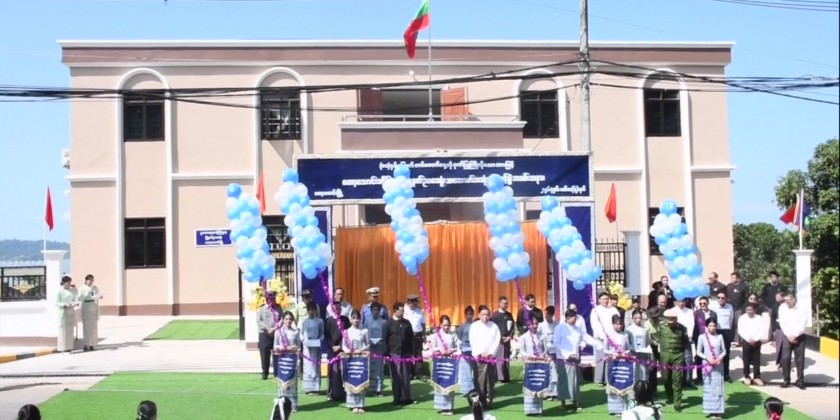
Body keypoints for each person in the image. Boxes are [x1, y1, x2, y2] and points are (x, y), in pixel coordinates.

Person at [554, 309, 601, 412]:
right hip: (563, 359)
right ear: (567, 318)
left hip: (575, 358)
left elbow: (587, 338)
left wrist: (599, 344)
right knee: (563, 381)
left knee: (575, 381)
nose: (575, 320)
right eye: (574, 318)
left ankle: (576, 402)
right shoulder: (559, 328)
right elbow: (556, 343)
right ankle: (563, 402)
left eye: (576, 318)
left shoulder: (577, 329)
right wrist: (566, 355)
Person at [469, 304, 501, 410]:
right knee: (479, 380)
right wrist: (480, 353)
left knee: (490, 380)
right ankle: (480, 402)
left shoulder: (494, 327)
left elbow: (497, 341)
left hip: (490, 357)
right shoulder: (474, 326)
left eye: (487, 315)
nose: (485, 317)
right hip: (479, 358)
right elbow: (473, 341)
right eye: (483, 314)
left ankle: (489, 401)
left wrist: (491, 353)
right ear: (479, 315)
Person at [659, 307, 689, 412]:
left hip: (678, 355)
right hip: (665, 355)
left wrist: (681, 353)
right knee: (665, 378)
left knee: (677, 379)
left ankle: (677, 403)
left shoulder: (682, 328)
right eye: (668, 319)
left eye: (673, 319)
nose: (670, 322)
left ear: (676, 319)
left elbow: (685, 342)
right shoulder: (661, 326)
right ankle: (670, 396)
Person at [386, 301, 416, 405]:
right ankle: (397, 398)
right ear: (395, 310)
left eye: (403, 310)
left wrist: (412, 353)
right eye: (401, 310)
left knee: (406, 376)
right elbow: (386, 339)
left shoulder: (407, 323)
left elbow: (411, 338)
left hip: (406, 353)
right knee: (396, 376)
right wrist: (387, 354)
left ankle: (406, 398)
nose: (403, 312)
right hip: (394, 353)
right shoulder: (389, 323)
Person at [697, 318, 726, 419]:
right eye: (710, 326)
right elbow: (698, 351)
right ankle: (710, 410)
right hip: (707, 365)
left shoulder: (720, 337)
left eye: (714, 326)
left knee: (718, 388)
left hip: (718, 365)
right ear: (706, 326)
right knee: (709, 388)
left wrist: (719, 358)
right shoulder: (702, 337)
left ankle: (718, 411)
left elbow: (724, 351)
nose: (712, 328)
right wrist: (707, 358)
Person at [520, 314, 547, 416]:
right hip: (529, 365)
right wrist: (529, 356)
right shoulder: (524, 337)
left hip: (540, 365)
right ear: (528, 324)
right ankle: (530, 410)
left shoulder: (542, 336)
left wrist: (542, 355)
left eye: (536, 324)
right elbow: (522, 351)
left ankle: (538, 410)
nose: (535, 326)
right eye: (533, 324)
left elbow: (545, 350)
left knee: (539, 385)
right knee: (529, 387)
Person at [778, 293, 808, 389]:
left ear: (794, 299)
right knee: (785, 359)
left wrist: (795, 335)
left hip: (799, 336)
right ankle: (786, 380)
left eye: (788, 300)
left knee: (800, 360)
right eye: (785, 300)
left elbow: (803, 323)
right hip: (787, 336)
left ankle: (800, 381)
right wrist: (788, 335)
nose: (786, 302)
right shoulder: (782, 308)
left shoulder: (802, 308)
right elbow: (782, 322)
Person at [343, 309, 370, 414]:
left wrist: (361, 350)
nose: (356, 320)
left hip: (361, 359)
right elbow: (344, 345)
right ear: (350, 319)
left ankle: (360, 405)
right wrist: (348, 351)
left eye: (358, 318)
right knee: (352, 380)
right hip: (350, 359)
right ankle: (353, 405)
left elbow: (368, 344)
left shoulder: (364, 331)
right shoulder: (346, 332)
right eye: (354, 318)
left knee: (360, 380)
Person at [274, 311, 301, 412]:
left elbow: (299, 346)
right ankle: (282, 404)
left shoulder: (295, 332)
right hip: (282, 361)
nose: (288, 321)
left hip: (292, 360)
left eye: (290, 319)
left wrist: (292, 347)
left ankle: (293, 405)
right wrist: (281, 347)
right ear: (283, 320)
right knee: (283, 383)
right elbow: (275, 346)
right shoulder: (278, 332)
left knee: (292, 383)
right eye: (286, 319)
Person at [433, 315, 459, 416]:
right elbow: (433, 348)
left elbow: (458, 346)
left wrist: (451, 350)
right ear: (440, 325)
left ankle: (450, 407)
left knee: (449, 384)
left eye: (448, 325)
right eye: (444, 325)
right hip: (440, 363)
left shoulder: (453, 334)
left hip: (450, 363)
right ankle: (442, 407)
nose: (446, 327)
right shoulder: (437, 335)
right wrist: (440, 350)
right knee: (440, 384)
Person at [606, 314, 631, 415]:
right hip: (613, 364)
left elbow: (629, 348)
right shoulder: (609, 335)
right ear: (613, 324)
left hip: (623, 364)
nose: (619, 326)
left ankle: (624, 408)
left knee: (623, 384)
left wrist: (625, 353)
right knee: (613, 385)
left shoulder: (625, 335)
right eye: (617, 324)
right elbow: (604, 349)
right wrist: (612, 354)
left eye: (620, 324)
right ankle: (614, 409)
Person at [738, 303, 766, 386]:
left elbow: (762, 329)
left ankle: (757, 377)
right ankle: (747, 376)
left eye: (751, 310)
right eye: (747, 310)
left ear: (754, 310)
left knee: (756, 359)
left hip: (756, 340)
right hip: (746, 340)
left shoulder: (759, 318)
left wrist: (755, 339)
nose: (749, 311)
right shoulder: (742, 318)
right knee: (746, 359)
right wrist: (748, 339)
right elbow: (740, 330)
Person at [709, 291, 734, 382]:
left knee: (726, 353)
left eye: (723, 298)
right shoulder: (713, 306)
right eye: (719, 297)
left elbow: (731, 320)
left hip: (726, 332)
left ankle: (726, 374)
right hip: (716, 331)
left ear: (726, 299)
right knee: (715, 353)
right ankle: (715, 373)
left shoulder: (730, 307)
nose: (720, 299)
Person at [364, 301, 387, 397]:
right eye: (374, 310)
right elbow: (364, 334)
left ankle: (379, 389)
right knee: (371, 368)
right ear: (371, 311)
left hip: (379, 348)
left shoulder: (384, 322)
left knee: (379, 369)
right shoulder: (367, 321)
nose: (376, 312)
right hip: (370, 348)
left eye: (377, 310)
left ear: (380, 311)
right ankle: (372, 389)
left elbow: (385, 336)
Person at [300, 302, 324, 395]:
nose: (311, 312)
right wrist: (303, 339)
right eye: (309, 310)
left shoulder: (319, 321)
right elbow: (301, 333)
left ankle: (315, 388)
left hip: (316, 347)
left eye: (313, 310)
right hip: (307, 348)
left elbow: (322, 334)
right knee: (308, 366)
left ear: (315, 310)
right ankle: (308, 388)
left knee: (315, 366)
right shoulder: (304, 322)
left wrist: (319, 339)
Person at [692, 296, 717, 384]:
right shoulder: (696, 313)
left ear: (708, 303)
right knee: (699, 357)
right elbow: (694, 326)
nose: (702, 305)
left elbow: (715, 326)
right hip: (699, 338)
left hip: (711, 338)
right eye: (701, 303)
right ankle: (699, 378)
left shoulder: (713, 313)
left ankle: (711, 375)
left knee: (711, 356)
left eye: (704, 303)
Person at [326, 312, 350, 401]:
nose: (337, 309)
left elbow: (347, 334)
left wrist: (340, 346)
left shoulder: (345, 319)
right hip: (332, 350)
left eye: (339, 307)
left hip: (342, 349)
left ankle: (344, 393)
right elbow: (327, 336)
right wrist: (332, 346)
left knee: (343, 371)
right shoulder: (328, 320)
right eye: (335, 307)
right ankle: (331, 393)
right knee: (332, 372)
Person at [491, 296, 514, 383]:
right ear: (499, 303)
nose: (506, 305)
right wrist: (500, 337)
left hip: (507, 340)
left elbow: (513, 327)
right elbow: (493, 328)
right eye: (504, 303)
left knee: (506, 358)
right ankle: (499, 377)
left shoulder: (509, 315)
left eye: (507, 303)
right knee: (499, 359)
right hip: (498, 341)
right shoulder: (495, 315)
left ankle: (506, 377)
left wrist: (509, 336)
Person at [538, 305, 559, 401]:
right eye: (545, 314)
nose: (546, 316)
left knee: (554, 372)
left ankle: (555, 392)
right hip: (544, 352)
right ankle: (546, 393)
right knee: (546, 372)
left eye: (549, 314)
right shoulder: (541, 325)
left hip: (554, 352)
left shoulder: (557, 325)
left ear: (552, 315)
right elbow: (538, 339)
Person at [404, 295, 427, 380]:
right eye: (413, 303)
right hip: (408, 336)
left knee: (418, 354)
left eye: (416, 304)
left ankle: (419, 373)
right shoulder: (403, 310)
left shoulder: (419, 311)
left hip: (418, 335)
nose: (415, 305)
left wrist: (424, 335)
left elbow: (423, 323)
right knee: (408, 354)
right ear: (408, 302)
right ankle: (409, 373)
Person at [257, 291, 279, 380]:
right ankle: (265, 372)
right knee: (264, 354)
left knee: (277, 353)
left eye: (274, 298)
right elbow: (259, 321)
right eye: (271, 299)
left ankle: (277, 372)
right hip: (264, 334)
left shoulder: (278, 308)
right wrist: (268, 329)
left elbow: (282, 319)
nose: (273, 300)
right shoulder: (261, 309)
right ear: (267, 299)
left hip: (276, 333)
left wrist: (274, 329)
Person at [674, 298, 696, 388]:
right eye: (680, 301)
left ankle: (689, 380)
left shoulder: (690, 311)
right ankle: (678, 381)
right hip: (676, 338)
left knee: (688, 359)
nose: (681, 303)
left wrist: (689, 335)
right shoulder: (673, 311)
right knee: (678, 360)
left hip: (687, 338)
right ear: (677, 302)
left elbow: (691, 324)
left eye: (683, 301)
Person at [77, 274, 101, 352]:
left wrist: (98, 296)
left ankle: (92, 344)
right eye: (90, 280)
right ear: (86, 280)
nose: (91, 282)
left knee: (93, 327)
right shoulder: (82, 288)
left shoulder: (95, 287)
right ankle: (86, 344)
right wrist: (86, 295)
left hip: (93, 306)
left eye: (92, 280)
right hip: (86, 306)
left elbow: (98, 294)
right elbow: (79, 298)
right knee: (86, 327)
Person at [626, 309, 652, 382]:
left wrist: (649, 354)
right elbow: (627, 343)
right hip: (633, 354)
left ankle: (643, 386)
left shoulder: (645, 329)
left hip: (643, 354)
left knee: (643, 372)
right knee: (634, 372)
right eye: (636, 318)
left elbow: (647, 343)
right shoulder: (629, 329)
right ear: (633, 318)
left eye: (639, 318)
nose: (638, 320)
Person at [457, 306, 476, 397]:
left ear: (473, 314)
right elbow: (459, 337)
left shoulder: (476, 325)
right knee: (466, 371)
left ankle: (475, 389)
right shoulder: (462, 326)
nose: (469, 316)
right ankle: (466, 390)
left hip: (474, 350)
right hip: (465, 350)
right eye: (467, 314)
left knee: (475, 370)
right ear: (465, 315)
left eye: (471, 314)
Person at [726, 272, 749, 345]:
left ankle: (738, 341)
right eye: (731, 277)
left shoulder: (743, 286)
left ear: (738, 279)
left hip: (739, 308)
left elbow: (746, 297)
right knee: (730, 324)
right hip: (729, 308)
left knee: (738, 324)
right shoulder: (729, 286)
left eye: (733, 277)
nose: (732, 279)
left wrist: (744, 307)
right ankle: (730, 339)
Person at [645, 307, 662, 398]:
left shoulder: (662, 322)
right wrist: (656, 343)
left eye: (656, 317)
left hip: (662, 346)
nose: (655, 319)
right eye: (653, 317)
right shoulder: (647, 324)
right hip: (652, 347)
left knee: (666, 368)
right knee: (652, 369)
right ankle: (652, 390)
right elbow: (648, 339)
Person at [56, 275, 77, 353]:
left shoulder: (71, 291)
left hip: (70, 311)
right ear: (64, 283)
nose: (69, 284)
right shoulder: (60, 291)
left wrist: (75, 303)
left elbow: (74, 298)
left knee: (70, 330)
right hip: (63, 312)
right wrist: (64, 304)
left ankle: (69, 347)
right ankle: (62, 348)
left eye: (70, 282)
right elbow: (56, 302)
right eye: (68, 282)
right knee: (63, 330)